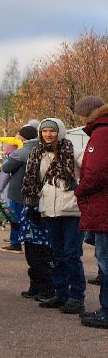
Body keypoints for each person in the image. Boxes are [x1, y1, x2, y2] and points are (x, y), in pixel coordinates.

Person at [23, 118, 84, 315]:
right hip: (48, 208)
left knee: (71, 255)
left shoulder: (72, 149)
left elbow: (89, 169)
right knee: (56, 254)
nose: (48, 134)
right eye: (45, 131)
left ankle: (76, 296)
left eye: (52, 131)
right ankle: (60, 293)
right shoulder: (37, 153)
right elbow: (34, 180)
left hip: (71, 208)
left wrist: (80, 188)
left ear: (60, 132)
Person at [74, 100, 108, 329]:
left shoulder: (101, 133)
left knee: (106, 263)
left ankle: (106, 311)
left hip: (103, 208)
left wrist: (80, 190)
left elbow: (95, 172)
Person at [0, 123, 39, 254]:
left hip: (18, 189)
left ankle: (15, 242)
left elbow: (6, 168)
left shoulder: (22, 152)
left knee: (16, 217)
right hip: (36, 191)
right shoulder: (41, 149)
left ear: (23, 137)